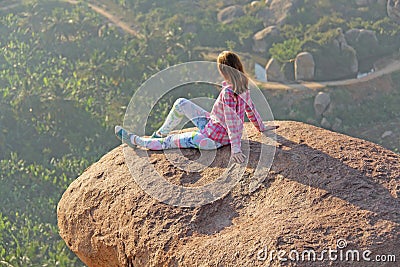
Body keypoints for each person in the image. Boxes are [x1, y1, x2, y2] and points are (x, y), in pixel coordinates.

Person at [115, 51, 278, 163]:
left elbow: (233, 122)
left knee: (170, 142)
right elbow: (252, 110)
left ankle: (136, 141)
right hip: (212, 125)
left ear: (224, 70)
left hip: (211, 139)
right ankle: (158, 134)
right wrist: (261, 128)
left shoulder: (229, 92)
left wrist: (236, 149)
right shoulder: (243, 86)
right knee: (181, 103)